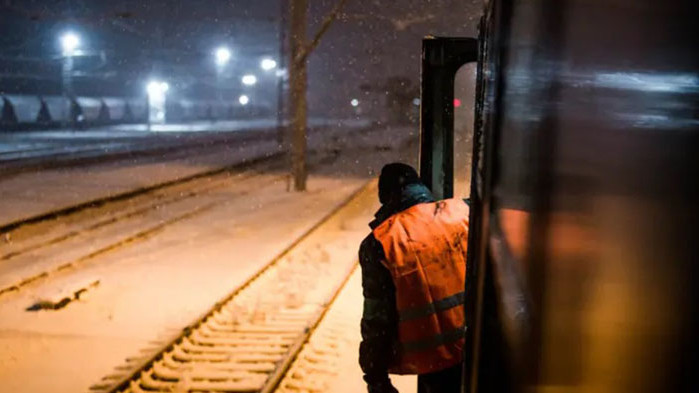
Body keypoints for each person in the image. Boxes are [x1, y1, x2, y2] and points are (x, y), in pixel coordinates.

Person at [359, 162, 469, 393]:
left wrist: (376, 377)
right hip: (479, 350)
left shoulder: (380, 243)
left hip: (433, 367)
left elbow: (378, 320)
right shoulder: (462, 211)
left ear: (387, 199)